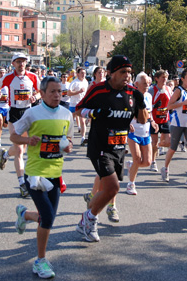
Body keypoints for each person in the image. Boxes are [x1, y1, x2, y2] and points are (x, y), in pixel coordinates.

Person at [75, 55, 147, 242]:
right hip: (100, 146)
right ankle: (89, 219)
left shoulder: (132, 93)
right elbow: (78, 109)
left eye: (129, 72)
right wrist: (93, 112)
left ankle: (88, 216)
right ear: (110, 73)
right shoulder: (98, 90)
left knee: (110, 190)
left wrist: (141, 103)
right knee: (113, 187)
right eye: (123, 72)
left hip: (119, 147)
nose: (127, 76)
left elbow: (143, 120)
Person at [11, 76, 74, 279]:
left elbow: (69, 139)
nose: (57, 95)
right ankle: (40, 261)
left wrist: (68, 145)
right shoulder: (32, 113)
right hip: (35, 173)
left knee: (48, 217)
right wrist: (27, 140)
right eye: (53, 92)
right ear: (42, 93)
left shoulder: (66, 114)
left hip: (55, 173)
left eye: (60, 92)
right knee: (47, 217)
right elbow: (14, 136)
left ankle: (25, 215)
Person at [0, 53, 40, 198]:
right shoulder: (8, 77)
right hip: (14, 115)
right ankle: (22, 184)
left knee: (24, 147)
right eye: (18, 62)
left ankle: (5, 154)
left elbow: (41, 91)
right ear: (13, 63)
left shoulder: (33, 77)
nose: (21, 64)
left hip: (28, 114)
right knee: (19, 150)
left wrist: (36, 97)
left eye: (23, 61)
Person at [161, 68, 187, 185]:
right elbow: (169, 106)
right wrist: (183, 103)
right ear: (182, 79)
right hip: (177, 123)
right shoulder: (178, 91)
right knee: (173, 148)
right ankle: (165, 168)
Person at [125, 72, 157, 195]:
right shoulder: (130, 96)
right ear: (137, 84)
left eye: (148, 83)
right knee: (138, 159)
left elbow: (149, 112)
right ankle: (131, 184)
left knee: (147, 162)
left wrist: (153, 121)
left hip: (146, 132)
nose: (147, 85)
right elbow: (125, 112)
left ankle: (131, 165)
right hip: (133, 132)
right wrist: (127, 123)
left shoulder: (148, 96)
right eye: (144, 83)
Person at [149, 70, 171, 169]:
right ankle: (153, 162)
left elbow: (172, 102)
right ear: (157, 79)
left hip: (165, 119)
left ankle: (156, 146)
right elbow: (146, 105)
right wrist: (154, 105)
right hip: (154, 120)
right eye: (162, 77)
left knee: (168, 142)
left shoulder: (169, 89)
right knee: (153, 142)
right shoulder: (152, 90)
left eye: (166, 77)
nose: (164, 79)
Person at [67, 67, 88, 144]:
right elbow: (68, 93)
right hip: (74, 104)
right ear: (78, 74)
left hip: (82, 104)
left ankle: (83, 138)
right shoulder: (74, 82)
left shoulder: (86, 81)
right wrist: (78, 91)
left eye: (84, 73)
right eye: (82, 73)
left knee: (83, 121)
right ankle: (68, 138)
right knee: (71, 122)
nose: (83, 74)